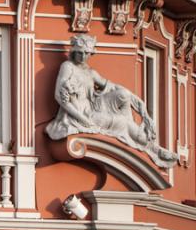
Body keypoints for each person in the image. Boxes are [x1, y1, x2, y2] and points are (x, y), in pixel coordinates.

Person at [46, 34, 177, 168]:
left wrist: (143, 110)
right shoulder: (67, 66)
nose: (83, 57)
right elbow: (59, 96)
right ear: (74, 51)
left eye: (87, 53)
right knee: (123, 122)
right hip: (83, 113)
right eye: (80, 53)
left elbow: (113, 87)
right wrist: (83, 119)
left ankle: (146, 142)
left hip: (93, 106)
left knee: (123, 94)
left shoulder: (90, 72)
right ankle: (153, 149)